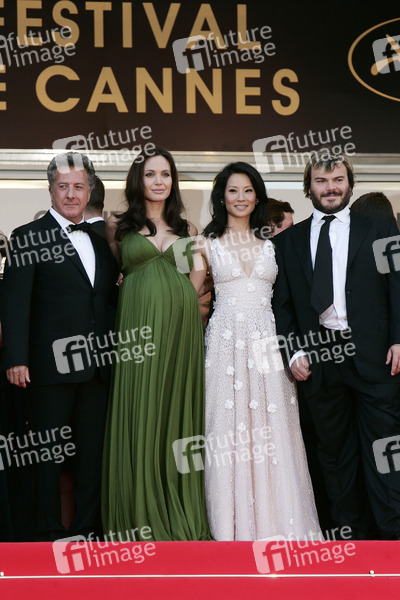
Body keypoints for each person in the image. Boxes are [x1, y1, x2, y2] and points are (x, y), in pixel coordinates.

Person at [272, 149, 400, 540]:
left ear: (349, 184)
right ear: (308, 187)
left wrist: (398, 338)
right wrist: (293, 351)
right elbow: (283, 306)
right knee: (335, 456)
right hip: (320, 360)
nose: (331, 188)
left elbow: (397, 288)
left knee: (384, 452)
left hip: (376, 357)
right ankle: (349, 541)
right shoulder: (289, 241)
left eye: (338, 180)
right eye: (322, 181)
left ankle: (392, 538)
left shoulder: (380, 229)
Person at [190, 162, 322, 541]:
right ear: (221, 197)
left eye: (248, 190)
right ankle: (229, 530)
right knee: (226, 431)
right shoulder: (203, 244)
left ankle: (277, 526)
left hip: (268, 346)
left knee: (273, 431)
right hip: (224, 346)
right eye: (233, 190)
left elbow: (291, 300)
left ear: (257, 196)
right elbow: (188, 296)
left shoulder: (275, 245)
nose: (241, 198)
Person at [1, 152, 119, 541]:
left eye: (78, 187)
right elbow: (14, 303)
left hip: (97, 367)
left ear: (90, 191)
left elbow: (106, 301)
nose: (71, 194)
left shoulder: (102, 241)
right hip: (47, 367)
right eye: (63, 186)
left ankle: (86, 528)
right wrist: (16, 358)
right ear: (50, 189)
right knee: (47, 454)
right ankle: (46, 531)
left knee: (92, 453)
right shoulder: (27, 236)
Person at [101, 146, 211, 541]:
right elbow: (116, 275)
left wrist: (178, 303)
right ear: (138, 180)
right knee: (139, 405)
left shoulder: (188, 229)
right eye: (150, 174)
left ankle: (176, 507)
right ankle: (137, 512)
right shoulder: (118, 225)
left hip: (180, 330)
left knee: (173, 408)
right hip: (137, 331)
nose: (159, 181)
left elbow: (196, 277)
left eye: (165, 174)